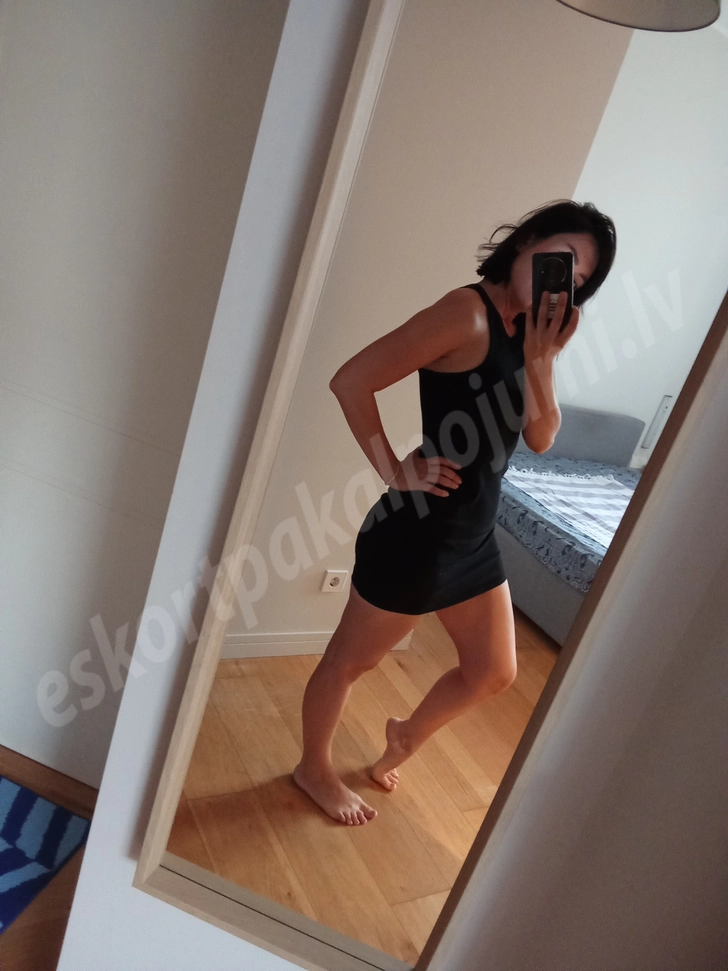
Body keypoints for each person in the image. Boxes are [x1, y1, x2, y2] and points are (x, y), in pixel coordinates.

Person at [293, 199, 616, 825]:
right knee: (351, 662)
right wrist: (394, 470)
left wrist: (542, 359)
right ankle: (313, 768)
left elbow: (542, 437)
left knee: (493, 670)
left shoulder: (531, 334)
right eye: (560, 260)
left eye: (577, 280)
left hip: (472, 535)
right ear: (526, 242)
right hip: (417, 536)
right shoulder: (464, 313)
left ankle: (405, 735)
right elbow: (351, 380)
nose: (562, 282)